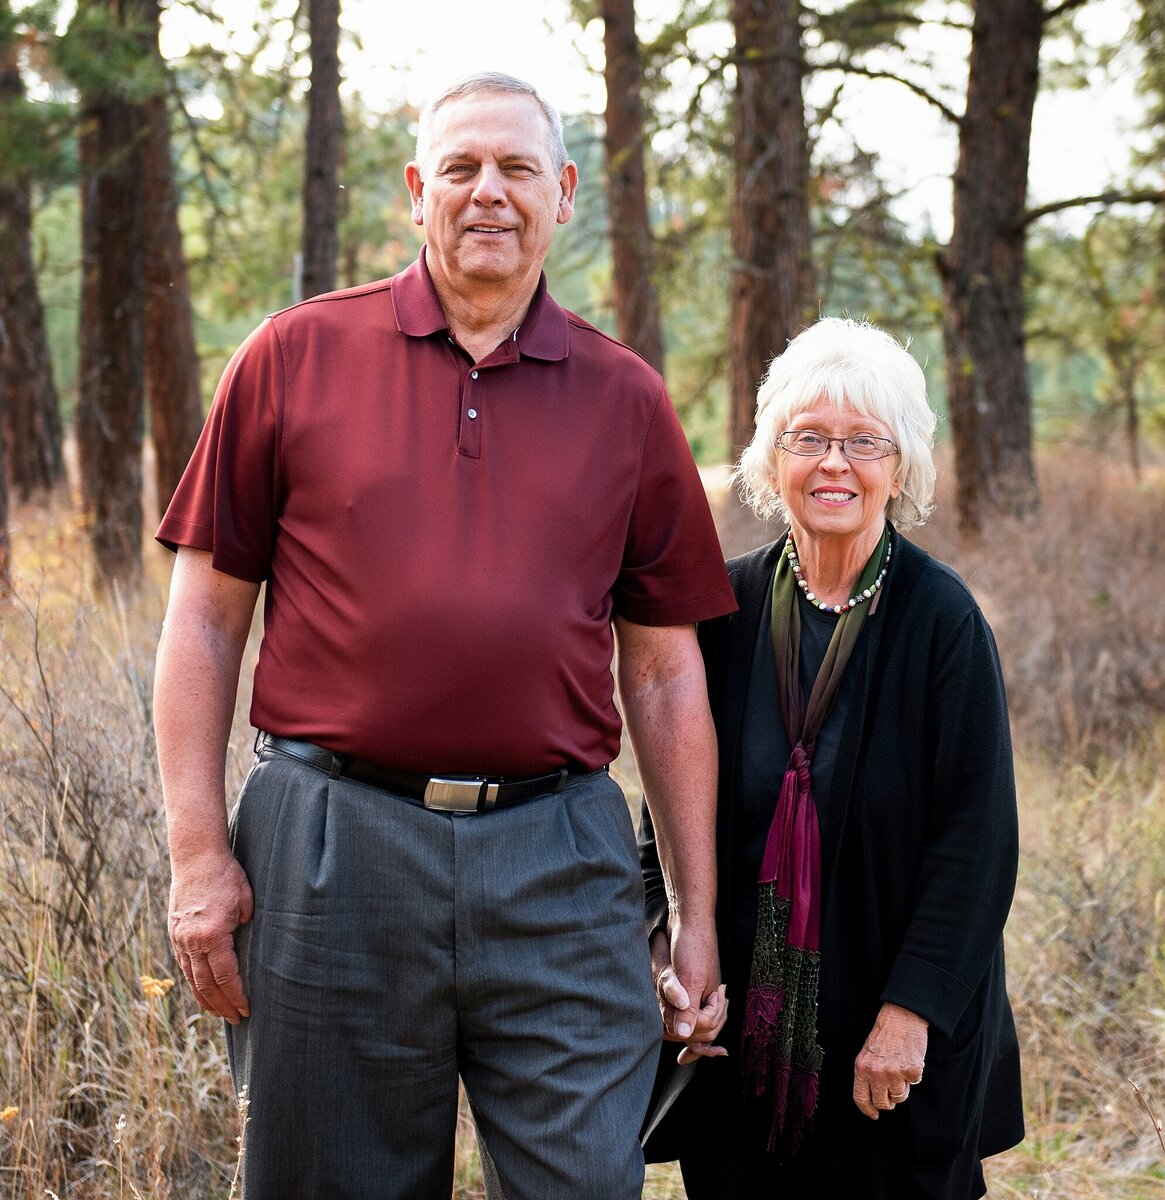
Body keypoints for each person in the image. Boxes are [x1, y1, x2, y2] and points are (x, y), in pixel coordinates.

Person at [153, 71, 735, 1200]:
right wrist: (195, 858)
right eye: (461, 169)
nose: (489, 194)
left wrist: (696, 916)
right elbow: (203, 624)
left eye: (518, 169)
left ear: (563, 193)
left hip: (562, 858)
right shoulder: (291, 358)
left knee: (585, 1181)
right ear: (416, 192)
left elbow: (665, 678)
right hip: (332, 850)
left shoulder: (627, 400)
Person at [640, 317, 1023, 1198]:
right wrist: (666, 946)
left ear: (903, 465)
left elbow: (978, 843)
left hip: (884, 1046)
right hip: (742, 1039)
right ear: (774, 458)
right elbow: (665, 803)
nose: (835, 465)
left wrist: (911, 1014)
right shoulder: (723, 606)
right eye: (808, 439)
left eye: (863, 442)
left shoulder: (942, 623)